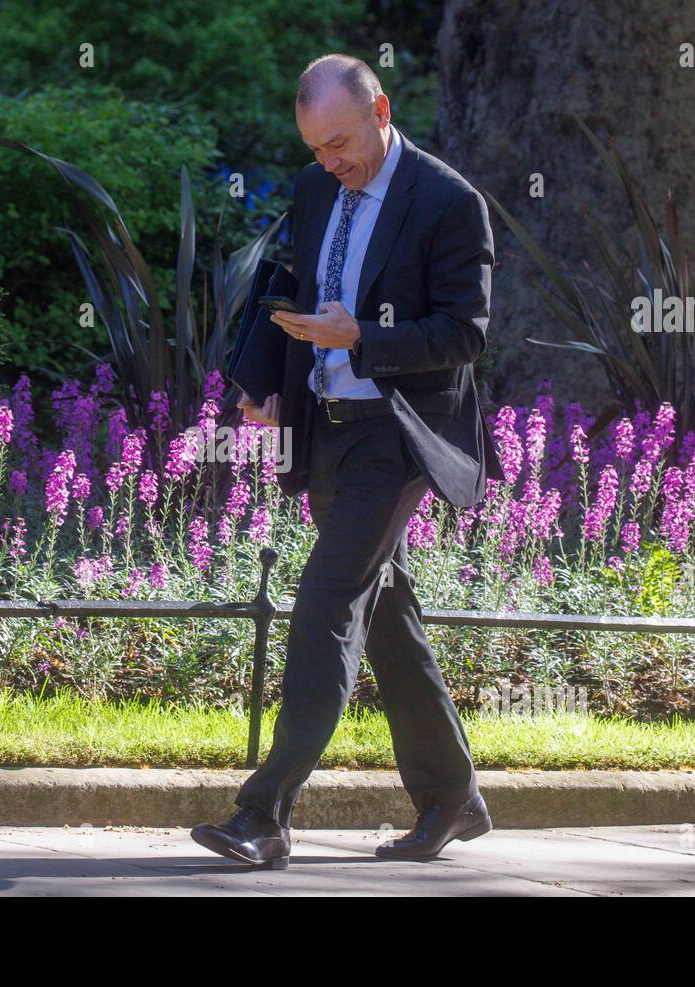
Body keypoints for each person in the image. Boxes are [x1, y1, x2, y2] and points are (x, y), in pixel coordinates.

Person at [190, 53, 503, 868]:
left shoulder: (448, 201)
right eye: (317, 148)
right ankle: (452, 796)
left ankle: (265, 813)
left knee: (325, 596)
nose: (330, 162)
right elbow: (287, 282)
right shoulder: (315, 186)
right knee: (386, 612)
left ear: (380, 110)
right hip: (325, 427)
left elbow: (465, 334)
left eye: (339, 143)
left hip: (398, 434)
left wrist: (363, 336)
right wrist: (259, 383)